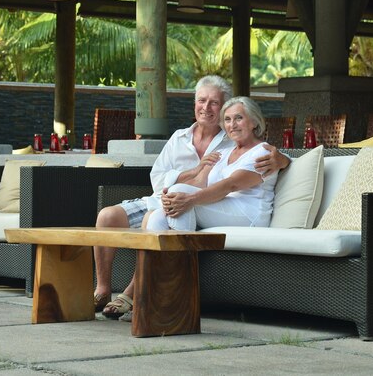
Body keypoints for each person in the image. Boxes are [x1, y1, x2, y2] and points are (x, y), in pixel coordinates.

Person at [94, 76, 289, 320]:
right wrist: (190, 177)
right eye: (202, 101)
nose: (207, 108)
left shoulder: (235, 144)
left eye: (215, 103)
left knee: (162, 214)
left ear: (252, 122)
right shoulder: (185, 138)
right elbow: (159, 178)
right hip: (171, 199)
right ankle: (124, 291)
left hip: (214, 206)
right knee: (114, 216)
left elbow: (227, 183)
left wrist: (284, 160)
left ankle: (149, 293)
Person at [147, 96, 277, 232]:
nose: (232, 125)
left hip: (249, 214)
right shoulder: (223, 153)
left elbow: (231, 184)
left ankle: (182, 251)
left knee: (180, 195)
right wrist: (169, 196)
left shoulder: (263, 152)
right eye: (227, 119)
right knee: (157, 215)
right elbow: (200, 182)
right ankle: (164, 253)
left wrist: (189, 198)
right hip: (223, 206)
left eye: (239, 118)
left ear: (254, 122)